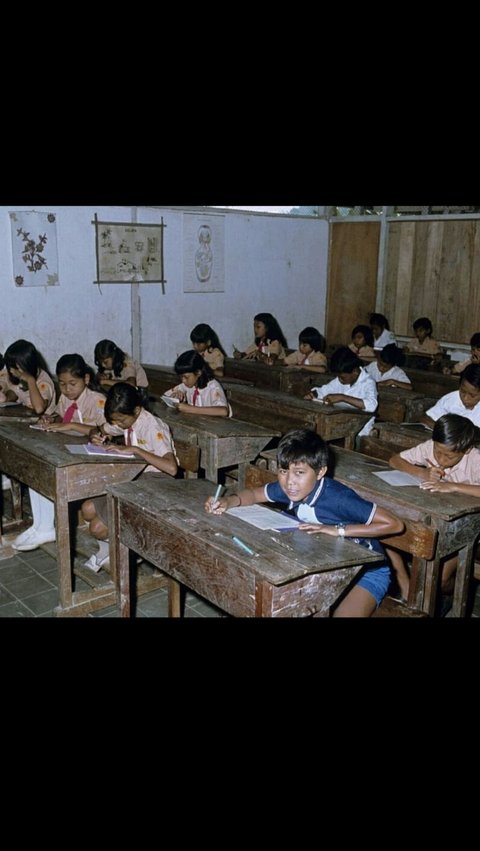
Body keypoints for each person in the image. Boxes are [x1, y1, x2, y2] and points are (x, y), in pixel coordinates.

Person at [205, 429, 404, 617]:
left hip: (366, 572)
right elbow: (254, 494)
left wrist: (337, 530)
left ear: (320, 472)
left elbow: (394, 524)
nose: (289, 481)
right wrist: (228, 501)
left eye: (299, 472)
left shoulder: (338, 498)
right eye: (283, 471)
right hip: (325, 564)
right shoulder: (292, 488)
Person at [11, 354, 109, 553]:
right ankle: (41, 524)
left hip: (94, 458)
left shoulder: (98, 401)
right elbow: (58, 414)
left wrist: (70, 424)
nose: (66, 389)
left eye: (72, 383)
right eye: (62, 384)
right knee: (38, 466)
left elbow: (103, 430)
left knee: (49, 470)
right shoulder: (65, 397)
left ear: (87, 379)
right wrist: (49, 418)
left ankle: (47, 526)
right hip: (69, 451)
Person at [81, 383, 178, 572]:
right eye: (115, 421)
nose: (117, 425)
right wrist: (97, 436)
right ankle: (107, 550)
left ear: (137, 410)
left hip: (156, 483)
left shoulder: (152, 426)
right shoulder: (127, 419)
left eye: (121, 421)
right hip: (133, 478)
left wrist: (135, 450)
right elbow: (100, 429)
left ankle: (131, 549)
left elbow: (172, 468)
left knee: (98, 528)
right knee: (87, 508)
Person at [388, 414, 480, 602]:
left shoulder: (476, 459)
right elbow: (395, 460)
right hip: (436, 516)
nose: (441, 459)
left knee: (441, 580)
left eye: (449, 456)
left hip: (469, 528)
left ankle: (460, 594)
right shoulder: (430, 446)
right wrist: (422, 472)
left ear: (467, 449)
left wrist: (453, 486)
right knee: (388, 529)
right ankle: (408, 591)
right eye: (438, 452)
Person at [305, 347, 378, 438]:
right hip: (340, 425)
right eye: (338, 376)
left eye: (342, 377)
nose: (339, 380)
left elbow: (371, 406)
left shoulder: (368, 382)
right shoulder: (341, 380)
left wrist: (343, 397)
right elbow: (324, 390)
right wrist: (314, 394)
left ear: (355, 372)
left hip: (360, 432)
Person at [164, 350, 230, 417]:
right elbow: (165, 396)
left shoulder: (213, 386)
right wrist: (175, 396)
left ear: (198, 373)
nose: (183, 380)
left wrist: (190, 409)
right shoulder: (187, 385)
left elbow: (223, 411)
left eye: (186, 377)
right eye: (181, 377)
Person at [3, 339, 56, 415]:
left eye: (15, 367)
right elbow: (15, 390)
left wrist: (30, 380)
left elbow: (39, 409)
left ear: (27, 364)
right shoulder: (20, 376)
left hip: (44, 423)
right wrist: (8, 397)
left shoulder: (44, 382)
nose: (12, 371)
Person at [420, 363, 480, 429]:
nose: (465, 398)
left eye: (472, 395)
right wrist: (445, 430)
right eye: (462, 391)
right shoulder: (451, 399)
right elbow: (426, 418)